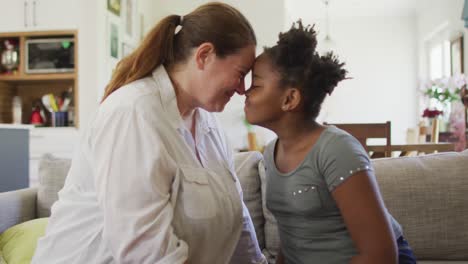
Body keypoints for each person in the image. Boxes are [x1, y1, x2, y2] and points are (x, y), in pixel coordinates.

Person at [32, 3, 266, 264]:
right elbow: (144, 251)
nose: (242, 89)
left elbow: (237, 218)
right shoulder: (133, 112)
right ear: (204, 55)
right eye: (240, 74)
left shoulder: (208, 124)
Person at [244, 21, 417, 264]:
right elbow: (294, 235)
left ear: (290, 98)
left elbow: (381, 255)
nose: (245, 92)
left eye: (256, 84)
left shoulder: (337, 150)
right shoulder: (272, 152)